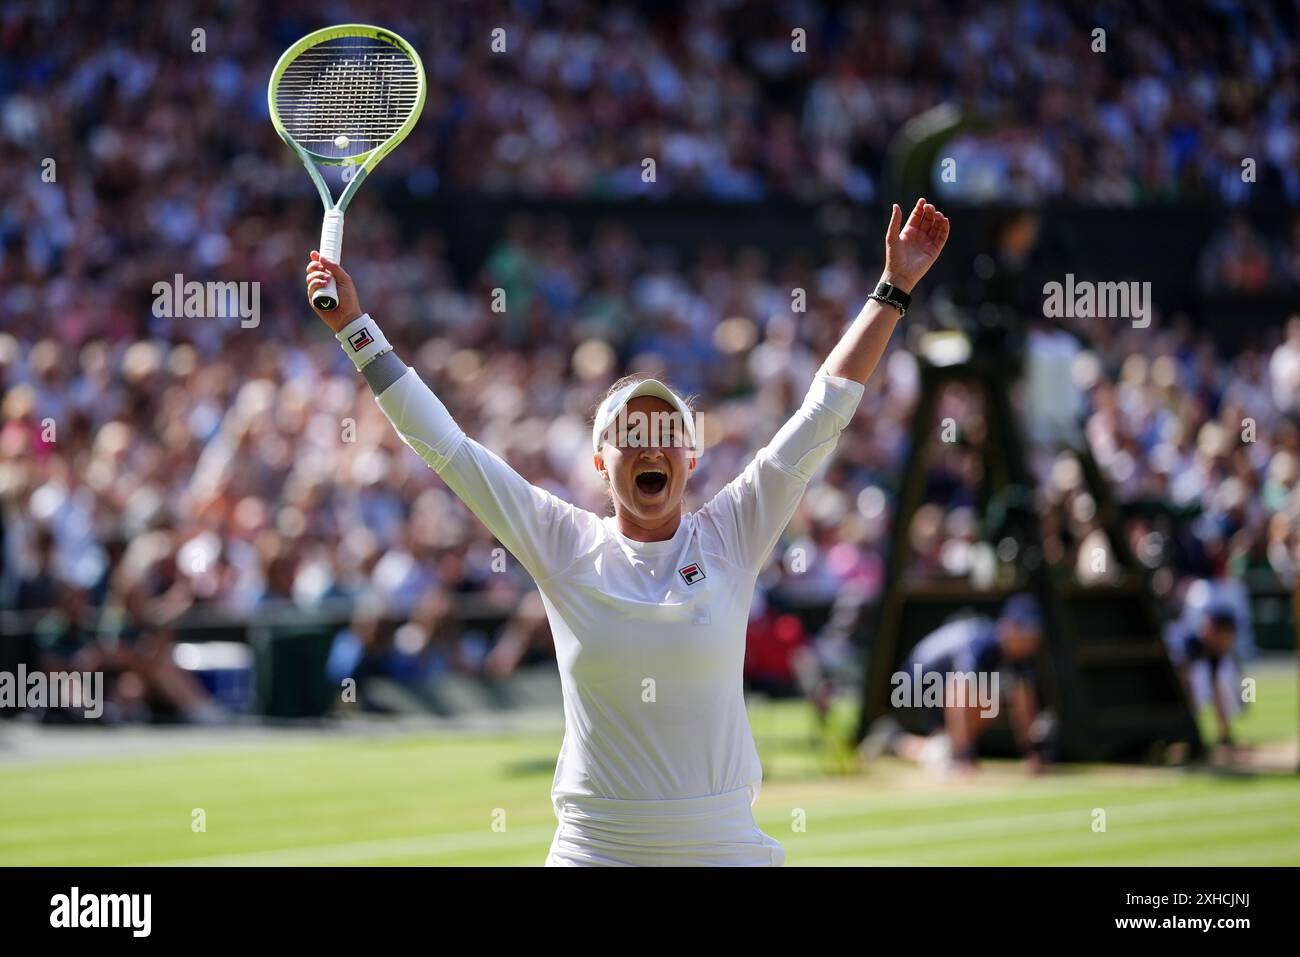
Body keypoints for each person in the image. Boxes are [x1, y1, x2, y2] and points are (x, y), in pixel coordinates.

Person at [304, 198, 950, 866]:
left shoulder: (734, 530)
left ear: (692, 456)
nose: (651, 446)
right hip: (595, 852)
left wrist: (893, 289)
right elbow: (446, 446)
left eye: (667, 432)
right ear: (598, 462)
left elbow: (824, 410)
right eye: (630, 434)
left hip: (724, 848)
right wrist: (354, 325)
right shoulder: (563, 542)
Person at [860, 594, 1047, 775]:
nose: (1030, 642)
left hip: (938, 686)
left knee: (952, 740)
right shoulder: (981, 644)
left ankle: (895, 741)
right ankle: (950, 754)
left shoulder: (1018, 655)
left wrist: (1032, 752)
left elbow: (1024, 700)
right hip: (917, 682)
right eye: (1026, 634)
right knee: (987, 703)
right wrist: (964, 756)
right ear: (1009, 627)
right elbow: (957, 694)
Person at [1166, 603, 1242, 749]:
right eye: (1227, 635)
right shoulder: (1188, 642)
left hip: (1180, 694)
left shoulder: (1214, 651)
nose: (1229, 641)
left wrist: (1225, 733)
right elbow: (1184, 685)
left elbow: (1216, 693)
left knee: (1219, 683)